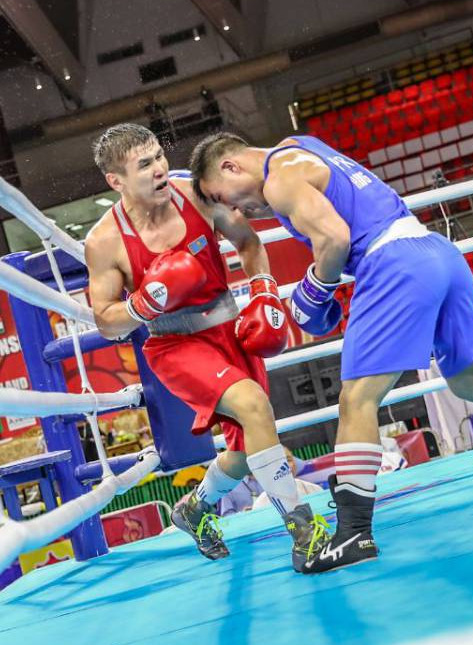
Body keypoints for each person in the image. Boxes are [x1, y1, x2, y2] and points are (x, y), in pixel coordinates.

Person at [189, 132, 473, 573]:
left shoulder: (277, 179)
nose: (233, 210)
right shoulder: (298, 145)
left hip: (393, 263)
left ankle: (353, 534)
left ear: (231, 167)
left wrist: (315, 290)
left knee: (356, 400)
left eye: (221, 196)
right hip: (435, 252)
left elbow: (335, 237)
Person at [85, 123, 320, 570]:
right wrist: (141, 303)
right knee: (252, 406)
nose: (159, 169)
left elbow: (248, 242)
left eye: (158, 156)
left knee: (248, 446)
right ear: (116, 181)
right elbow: (105, 320)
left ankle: (194, 508)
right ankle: (304, 531)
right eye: (144, 165)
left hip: (232, 328)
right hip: (174, 343)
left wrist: (265, 288)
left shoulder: (194, 195)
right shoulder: (105, 240)